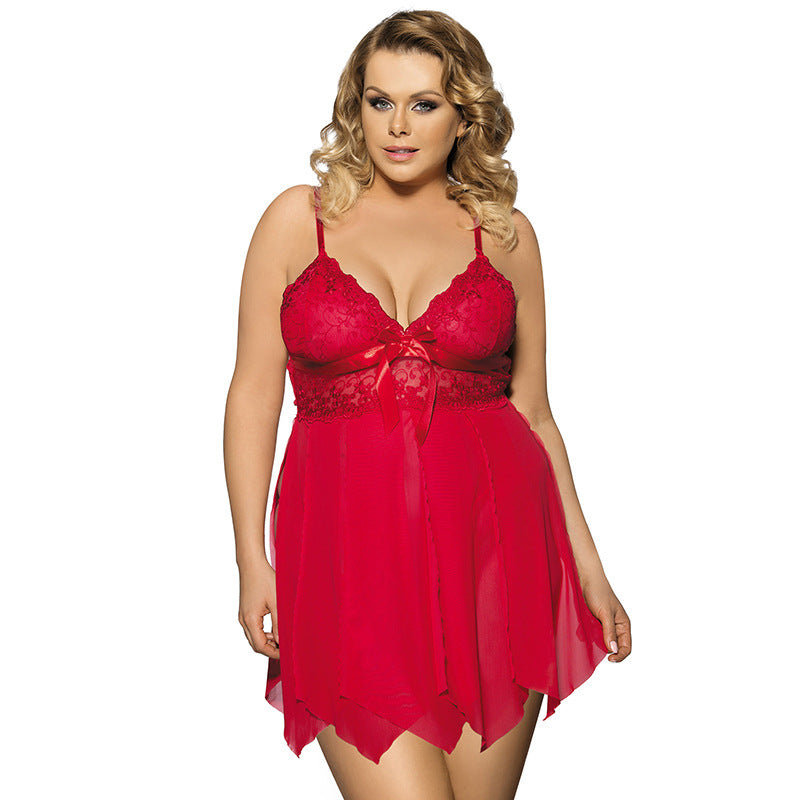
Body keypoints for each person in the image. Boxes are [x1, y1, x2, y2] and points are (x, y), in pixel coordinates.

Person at [224, 9, 631, 799]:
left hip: (494, 561)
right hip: (346, 566)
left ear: (464, 115)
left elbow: (534, 413)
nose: (398, 126)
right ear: (356, 106)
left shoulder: (505, 235)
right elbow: (252, 395)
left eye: (424, 103)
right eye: (379, 101)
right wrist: (250, 559)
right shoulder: (297, 220)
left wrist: (591, 570)